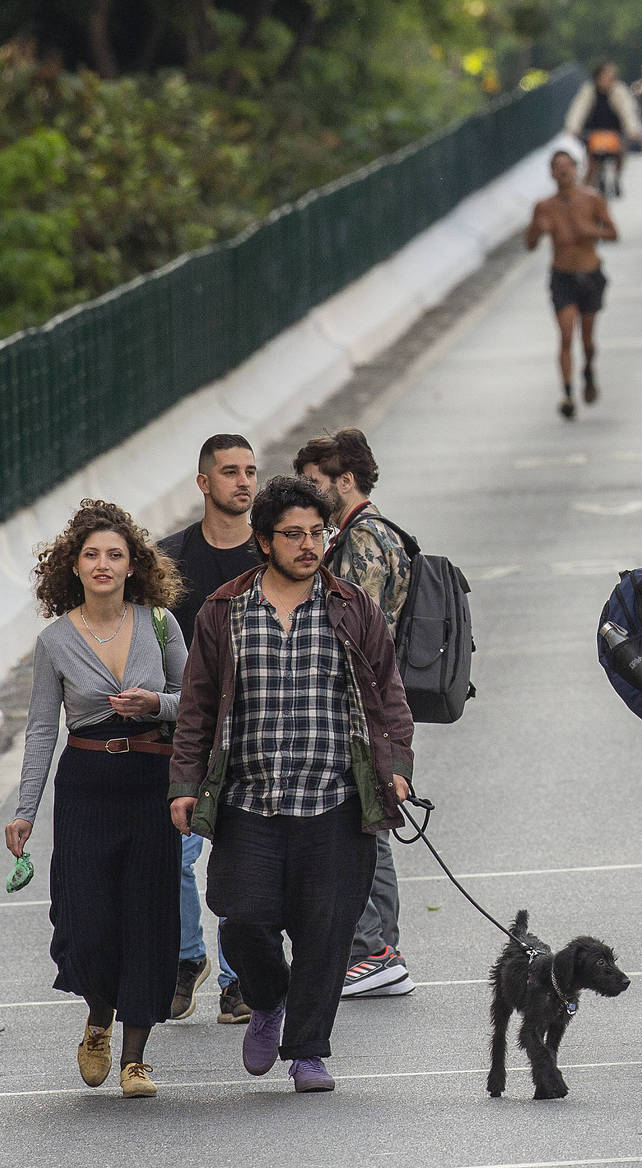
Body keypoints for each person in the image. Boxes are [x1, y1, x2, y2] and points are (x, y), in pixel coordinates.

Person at [169, 476, 413, 1093]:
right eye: (294, 535)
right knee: (242, 915)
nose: (309, 545)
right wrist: (184, 783)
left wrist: (398, 769)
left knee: (325, 930)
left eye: (317, 533)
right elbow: (197, 704)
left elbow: (389, 696)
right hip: (248, 800)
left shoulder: (352, 607)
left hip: (333, 799)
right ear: (263, 540)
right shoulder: (224, 610)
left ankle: (307, 1051)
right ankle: (267, 999)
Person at [9, 500, 187, 1098]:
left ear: (133, 564)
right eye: (92, 555)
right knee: (84, 918)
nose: (104, 564)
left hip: (150, 784)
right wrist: (24, 809)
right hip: (85, 786)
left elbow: (195, 703)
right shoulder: (55, 640)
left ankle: (136, 1059)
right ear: (74, 567)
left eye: (115, 554)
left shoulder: (160, 623)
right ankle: (98, 1015)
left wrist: (155, 705)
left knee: (148, 914)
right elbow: (39, 730)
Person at [291, 428, 417, 1003]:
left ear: (346, 480)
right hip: (365, 705)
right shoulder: (365, 534)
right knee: (372, 823)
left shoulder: (364, 541)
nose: (308, 495)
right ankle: (379, 949)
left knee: (360, 826)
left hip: (356, 706)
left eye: (315, 484)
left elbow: (354, 633)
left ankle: (372, 951)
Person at [158, 434, 261, 1023]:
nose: (243, 482)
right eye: (229, 472)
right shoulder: (169, 561)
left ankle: (237, 978)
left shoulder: (268, 556)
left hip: (253, 732)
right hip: (185, 731)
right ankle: (185, 958)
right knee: (175, 852)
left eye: (250, 471)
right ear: (204, 483)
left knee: (240, 859)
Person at [525, 147, 619, 419]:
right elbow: (529, 245)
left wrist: (593, 231)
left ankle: (588, 370)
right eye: (558, 167)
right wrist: (537, 230)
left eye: (568, 166)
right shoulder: (544, 207)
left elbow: (614, 233)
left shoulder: (592, 199)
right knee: (566, 335)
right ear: (552, 173)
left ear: (576, 169)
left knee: (587, 340)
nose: (564, 171)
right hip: (562, 276)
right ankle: (567, 393)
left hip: (590, 274)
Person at [562, 59, 634, 198]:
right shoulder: (588, 91)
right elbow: (578, 110)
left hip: (614, 132)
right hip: (592, 133)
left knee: (621, 152)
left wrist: (633, 129)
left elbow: (628, 111)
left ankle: (616, 178)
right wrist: (573, 128)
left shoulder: (619, 91)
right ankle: (584, 194)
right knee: (592, 165)